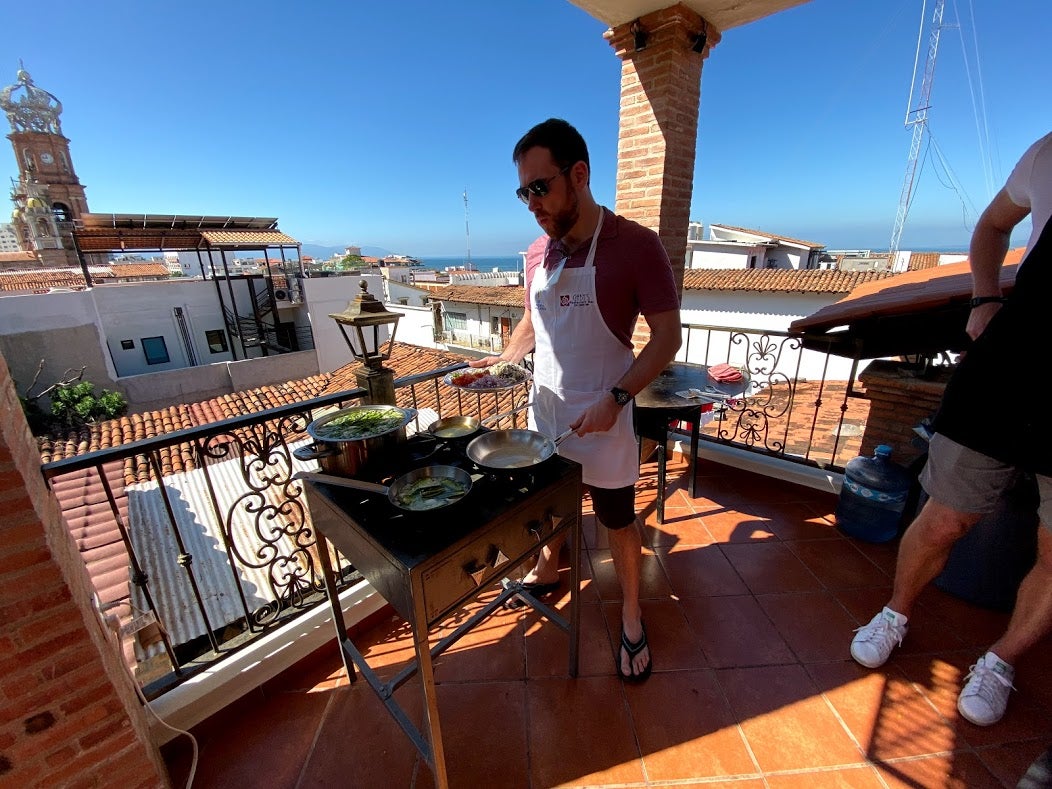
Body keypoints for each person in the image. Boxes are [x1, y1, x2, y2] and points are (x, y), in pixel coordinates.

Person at [849, 130, 1052, 726]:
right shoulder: (1046, 154)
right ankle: (895, 612)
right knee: (943, 518)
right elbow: (993, 226)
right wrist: (982, 300)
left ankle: (1001, 658)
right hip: (1010, 371)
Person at [471, 118, 681, 681]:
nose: (531, 203)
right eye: (523, 192)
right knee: (550, 506)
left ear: (579, 175)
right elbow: (532, 322)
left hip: (606, 416)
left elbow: (667, 338)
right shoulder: (536, 253)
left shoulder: (636, 246)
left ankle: (632, 615)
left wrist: (617, 398)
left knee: (617, 519)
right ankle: (548, 568)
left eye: (540, 187)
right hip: (548, 413)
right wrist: (500, 363)